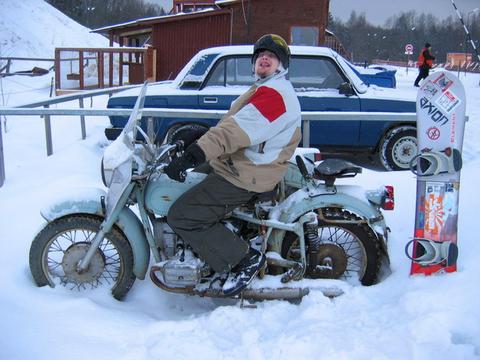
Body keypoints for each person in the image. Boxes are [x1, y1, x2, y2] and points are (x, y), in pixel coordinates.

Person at [164, 34, 302, 297]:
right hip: (239, 163)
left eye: (272, 56)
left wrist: (194, 154)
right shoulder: (265, 88)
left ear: (281, 66)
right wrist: (200, 134)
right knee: (177, 185)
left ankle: (243, 259)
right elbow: (237, 125)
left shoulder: (275, 95)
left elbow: (233, 133)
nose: (264, 58)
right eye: (261, 55)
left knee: (183, 215)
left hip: (248, 173)